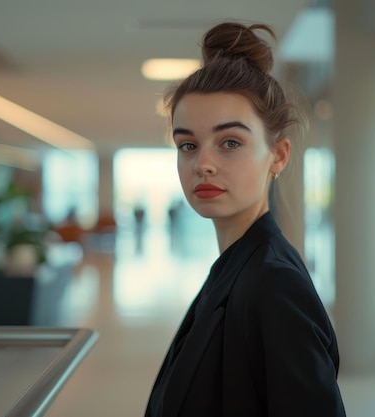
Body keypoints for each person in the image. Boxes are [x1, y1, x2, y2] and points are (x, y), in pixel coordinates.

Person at [145, 21, 346, 416]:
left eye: (230, 143)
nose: (202, 164)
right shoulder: (237, 267)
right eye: (188, 144)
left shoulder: (274, 285)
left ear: (279, 155)